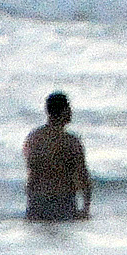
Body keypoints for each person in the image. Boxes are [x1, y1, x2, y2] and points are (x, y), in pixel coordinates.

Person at [23, 92, 92, 220]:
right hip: (63, 202)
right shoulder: (70, 141)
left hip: (37, 202)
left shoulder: (33, 138)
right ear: (65, 111)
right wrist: (86, 208)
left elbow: (31, 172)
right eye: (69, 109)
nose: (71, 112)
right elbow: (83, 176)